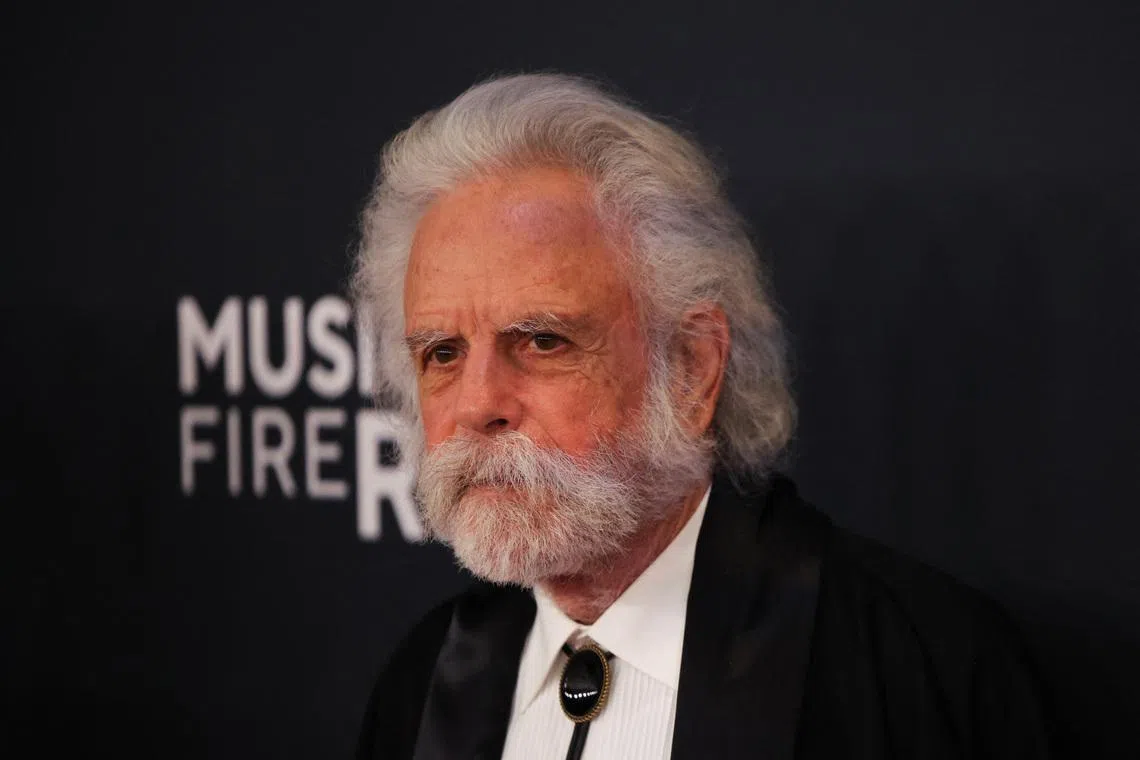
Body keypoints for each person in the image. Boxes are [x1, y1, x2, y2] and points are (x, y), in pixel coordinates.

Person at [351, 73, 1052, 759]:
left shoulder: (917, 676)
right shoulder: (422, 684)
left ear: (692, 369)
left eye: (541, 341)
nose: (476, 405)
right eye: (441, 352)